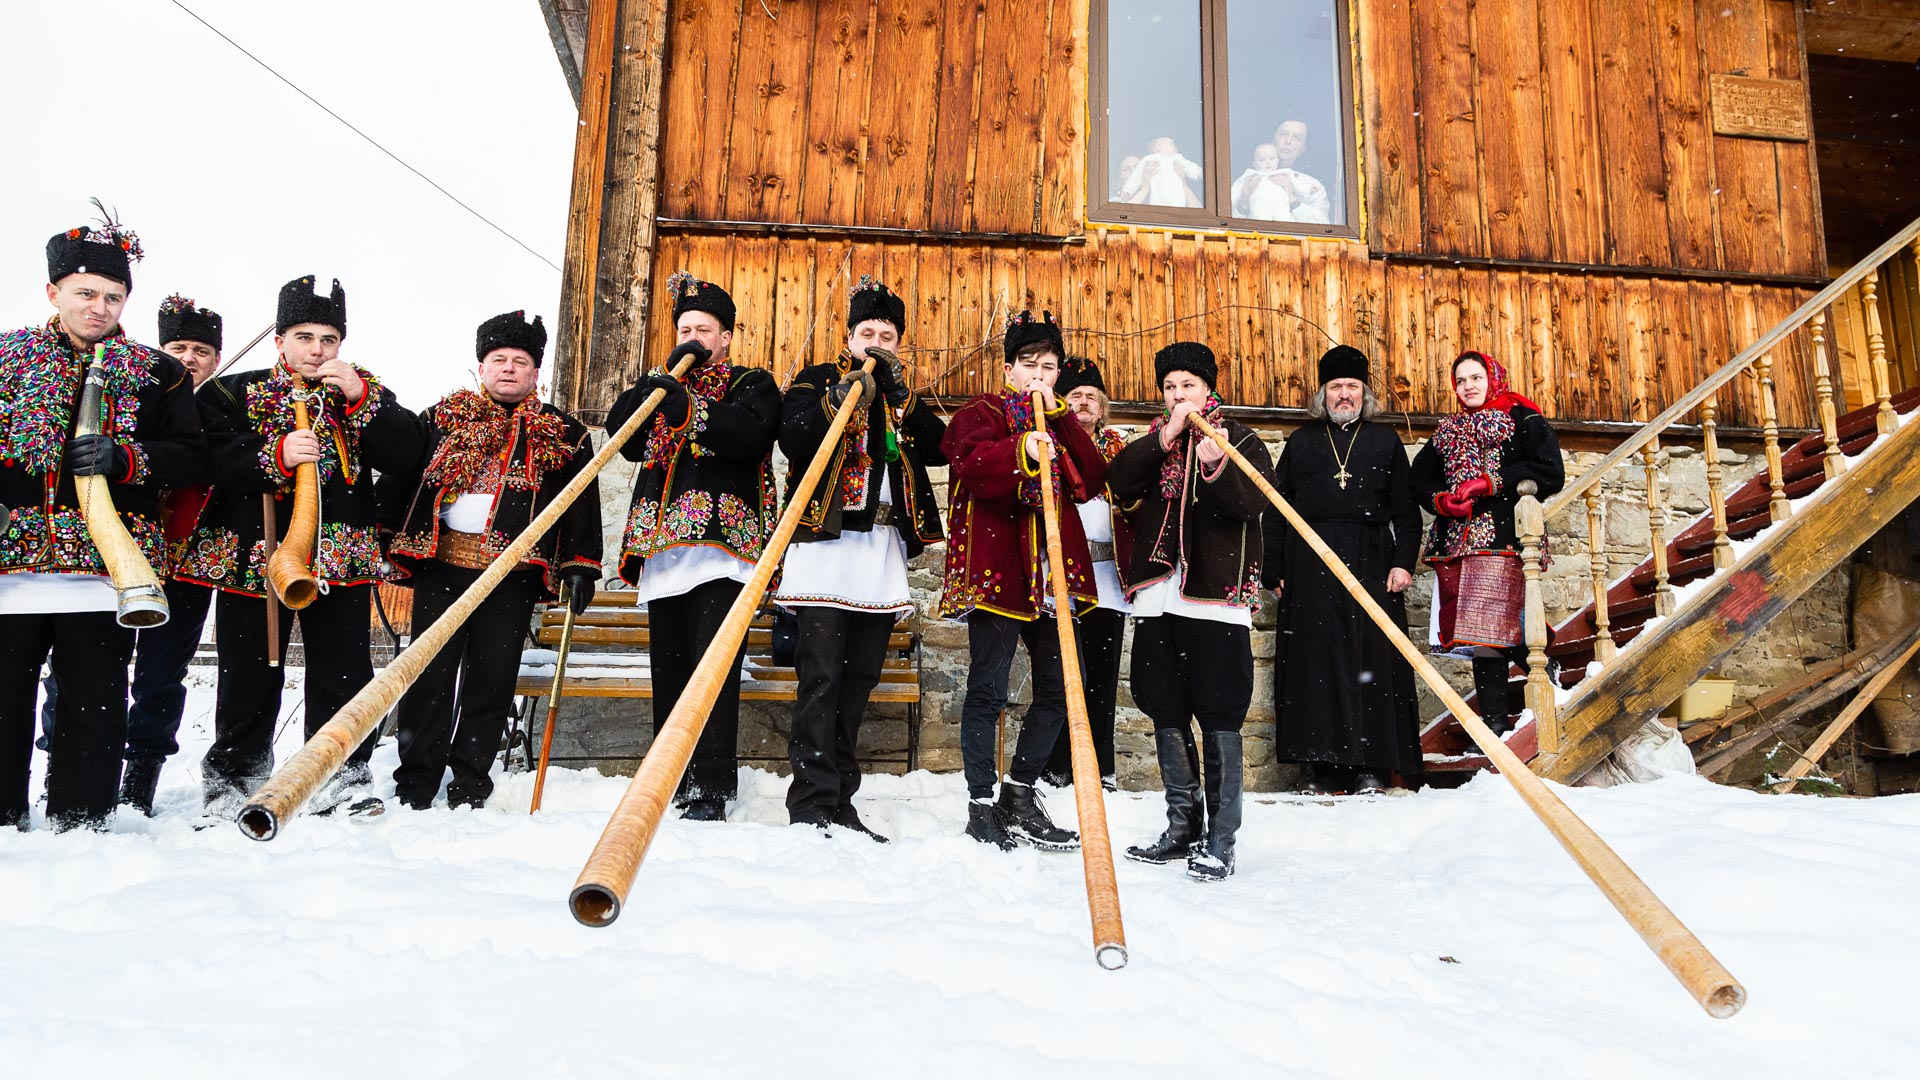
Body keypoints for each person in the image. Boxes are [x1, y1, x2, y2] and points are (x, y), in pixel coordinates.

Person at [178, 276, 419, 817]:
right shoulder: (232, 391)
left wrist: (362, 401)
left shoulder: (364, 391)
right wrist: (274, 453)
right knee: (249, 667)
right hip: (254, 556)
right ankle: (234, 778)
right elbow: (208, 457)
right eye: (305, 337)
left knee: (343, 670)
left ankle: (341, 776)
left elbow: (407, 453)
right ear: (280, 340)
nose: (317, 350)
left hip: (340, 557)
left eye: (329, 339)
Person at [0, 213, 204, 830]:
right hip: (11, 568)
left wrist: (130, 459)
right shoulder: (6, 358)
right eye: (86, 293)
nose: (99, 307)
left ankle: (81, 820)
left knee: (94, 700)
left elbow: (194, 457)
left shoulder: (158, 373)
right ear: (53, 292)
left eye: (113, 297)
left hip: (106, 569)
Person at [378, 311, 602, 810]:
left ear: (535, 373)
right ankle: (415, 781)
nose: (508, 369)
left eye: (519, 362)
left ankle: (471, 783)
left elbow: (582, 502)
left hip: (513, 576)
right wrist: (384, 535)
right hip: (444, 566)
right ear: (480, 367)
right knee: (429, 674)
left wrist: (581, 564)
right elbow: (399, 475)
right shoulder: (440, 418)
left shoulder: (564, 433)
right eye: (498, 360)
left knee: (491, 678)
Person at [773, 277, 946, 840]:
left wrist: (901, 397)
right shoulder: (816, 380)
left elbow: (940, 447)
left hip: (878, 550)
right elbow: (794, 436)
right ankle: (810, 801)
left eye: (886, 335)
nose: (875, 342)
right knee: (821, 676)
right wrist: (839, 398)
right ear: (848, 337)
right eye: (866, 332)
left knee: (860, 677)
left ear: (899, 344)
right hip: (825, 548)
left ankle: (841, 796)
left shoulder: (900, 394)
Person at [606, 272, 779, 821]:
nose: (693, 338)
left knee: (712, 672)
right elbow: (624, 437)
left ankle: (710, 786)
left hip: (723, 549)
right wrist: (652, 391)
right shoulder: (662, 383)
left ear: (725, 337)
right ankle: (668, 776)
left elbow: (750, 435)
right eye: (685, 329)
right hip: (664, 551)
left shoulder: (751, 382)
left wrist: (689, 411)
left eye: (704, 330)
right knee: (671, 669)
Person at [939, 310, 1106, 851]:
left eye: (1049, 366)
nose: (1039, 374)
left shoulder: (1060, 420)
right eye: (1029, 364)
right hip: (1001, 572)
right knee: (988, 688)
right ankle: (980, 802)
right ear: (1009, 368)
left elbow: (1089, 480)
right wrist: (1020, 451)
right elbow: (968, 464)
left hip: (1054, 576)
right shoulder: (978, 413)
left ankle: (1019, 791)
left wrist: (1057, 424)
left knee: (1060, 689)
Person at [1110, 342, 1270, 882]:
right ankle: (1182, 828)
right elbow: (1121, 482)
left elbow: (1250, 505)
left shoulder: (1242, 439)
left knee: (1220, 710)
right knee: (1164, 704)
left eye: (1188, 387)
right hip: (1160, 594)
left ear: (1208, 390)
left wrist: (1217, 465)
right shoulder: (1154, 443)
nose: (1179, 396)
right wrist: (1165, 439)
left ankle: (1220, 839)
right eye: (1170, 388)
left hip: (1215, 599)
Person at [1265, 345, 1422, 795]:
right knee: (1313, 661)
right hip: (1308, 561)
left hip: (1371, 558)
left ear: (1364, 393)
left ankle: (1371, 765)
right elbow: (1276, 508)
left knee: (1371, 660)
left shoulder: (1385, 441)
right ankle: (1317, 766)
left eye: (1352, 386)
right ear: (1323, 394)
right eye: (1336, 387)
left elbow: (1406, 513)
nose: (1344, 395)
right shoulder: (1300, 442)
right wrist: (1272, 567)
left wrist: (1402, 563)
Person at [1412, 350, 1565, 735]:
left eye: (1475, 378)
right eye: (1461, 381)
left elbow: (1550, 471)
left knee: (1497, 627)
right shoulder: (1449, 431)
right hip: (1459, 542)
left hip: (1504, 537)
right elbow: (1419, 478)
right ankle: (1494, 728)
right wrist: (1441, 500)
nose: (1468, 387)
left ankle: (1545, 665)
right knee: (1481, 639)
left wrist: (1492, 483)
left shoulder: (1522, 418)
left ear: (1493, 377)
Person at [116, 295, 226, 814]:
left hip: (189, 561)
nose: (189, 358)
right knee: (95, 666)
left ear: (215, 359)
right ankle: (77, 762)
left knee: (162, 672)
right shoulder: (139, 397)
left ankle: (141, 775)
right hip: (124, 553)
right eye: (178, 347)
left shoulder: (224, 407)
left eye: (201, 350)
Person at [1040, 355, 1130, 792]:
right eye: (1075, 395)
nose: (1084, 403)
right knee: (1063, 676)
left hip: (1108, 580)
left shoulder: (1117, 448)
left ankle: (1102, 768)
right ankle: (1058, 764)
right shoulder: (1051, 442)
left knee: (1102, 675)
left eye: (1092, 397)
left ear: (1102, 406)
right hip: (1066, 575)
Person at [1270, 120, 1331, 224]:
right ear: (1273, 139)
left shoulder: (1312, 185)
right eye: (1284, 134)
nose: (1288, 141)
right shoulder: (1252, 176)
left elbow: (1323, 226)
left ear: (1304, 148)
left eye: (1296, 138)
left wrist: (1293, 200)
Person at [1117, 136, 1204, 207]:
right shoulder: (1150, 159)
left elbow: (1190, 167)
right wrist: (1128, 190)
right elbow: (1137, 175)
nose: (1175, 146)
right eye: (1171, 144)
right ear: (1158, 147)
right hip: (1157, 201)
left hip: (1177, 200)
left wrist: (1201, 173)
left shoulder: (1177, 158)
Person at [1231, 143, 1294, 221]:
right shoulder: (1250, 176)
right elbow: (1234, 194)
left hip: (1282, 213)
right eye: (1262, 160)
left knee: (1284, 218)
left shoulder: (1285, 174)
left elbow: (1302, 188)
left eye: (1272, 159)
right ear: (1254, 164)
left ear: (1277, 161)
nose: (1268, 162)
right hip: (1259, 212)